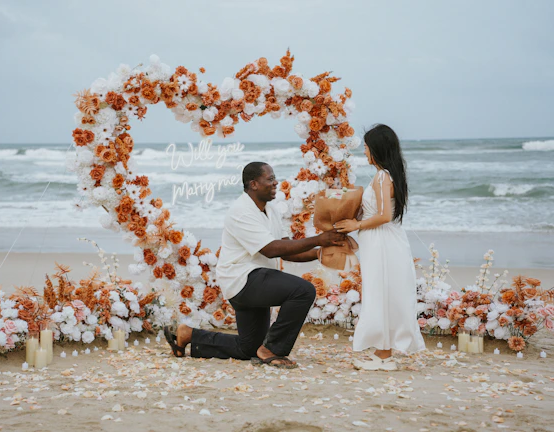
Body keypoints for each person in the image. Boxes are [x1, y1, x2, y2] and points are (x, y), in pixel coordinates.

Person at [164, 162, 345, 368]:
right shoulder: (241, 211)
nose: (276, 182)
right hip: (243, 280)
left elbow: (286, 248)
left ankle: (188, 335)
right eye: (270, 179)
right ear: (253, 184)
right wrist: (318, 239)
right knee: (303, 290)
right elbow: (270, 249)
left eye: (274, 177)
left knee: (248, 348)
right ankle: (273, 350)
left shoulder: (270, 209)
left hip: (258, 280)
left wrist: (320, 254)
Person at [335, 124, 425, 371]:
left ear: (376, 149)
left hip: (383, 241)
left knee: (380, 292)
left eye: (365, 147)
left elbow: (385, 215)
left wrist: (357, 223)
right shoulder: (386, 175)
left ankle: (384, 354)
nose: (364, 152)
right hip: (380, 240)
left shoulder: (384, 176)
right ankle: (383, 353)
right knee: (382, 292)